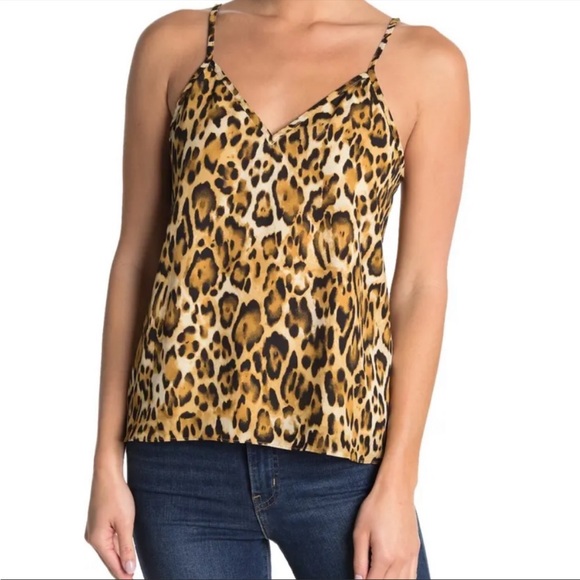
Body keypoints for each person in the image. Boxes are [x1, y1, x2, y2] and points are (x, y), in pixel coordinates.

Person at [84, 0, 470, 578]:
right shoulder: (174, 45)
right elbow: (137, 259)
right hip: (180, 461)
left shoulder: (425, 63)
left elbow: (420, 286)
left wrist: (399, 480)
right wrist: (105, 463)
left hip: (344, 458)